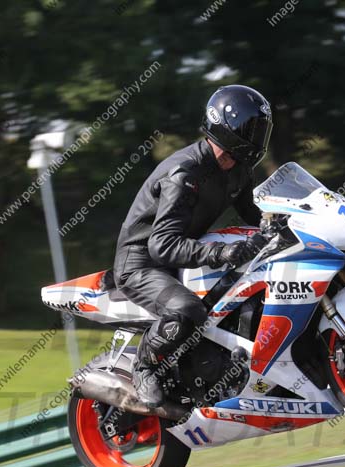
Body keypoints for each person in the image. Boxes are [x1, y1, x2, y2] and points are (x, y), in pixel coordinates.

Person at [113, 85, 273, 407]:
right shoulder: (183, 173)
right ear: (230, 127)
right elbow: (162, 245)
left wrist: (284, 220)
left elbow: (255, 212)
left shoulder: (238, 170)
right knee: (187, 310)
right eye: (252, 128)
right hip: (141, 264)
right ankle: (144, 368)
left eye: (261, 129)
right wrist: (219, 253)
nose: (258, 136)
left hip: (180, 257)